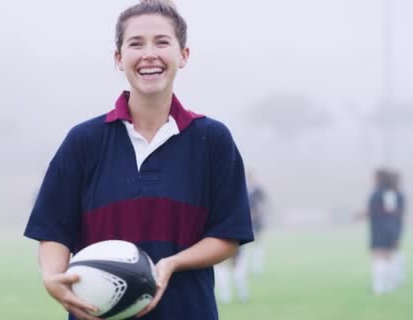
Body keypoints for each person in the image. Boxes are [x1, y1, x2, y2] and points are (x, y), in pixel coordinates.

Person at [23, 1, 253, 319]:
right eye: (135, 43)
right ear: (119, 58)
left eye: (162, 42)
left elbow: (228, 235)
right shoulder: (84, 141)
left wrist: (171, 263)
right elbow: (53, 230)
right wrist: (52, 276)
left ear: (183, 55)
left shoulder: (212, 140)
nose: (149, 54)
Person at [367, 168, 400, 295]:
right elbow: (391, 211)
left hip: (379, 228)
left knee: (379, 256)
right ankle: (389, 286)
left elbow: (375, 211)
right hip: (390, 227)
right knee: (388, 257)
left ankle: (379, 288)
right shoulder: (390, 193)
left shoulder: (377, 193)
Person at [247, 171, 268, 275]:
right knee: (245, 246)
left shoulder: (258, 191)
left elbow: (262, 205)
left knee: (257, 245)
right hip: (246, 223)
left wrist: (255, 214)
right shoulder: (244, 191)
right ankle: (245, 267)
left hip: (256, 223)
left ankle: (257, 267)